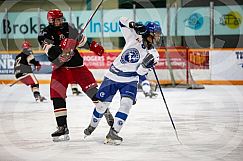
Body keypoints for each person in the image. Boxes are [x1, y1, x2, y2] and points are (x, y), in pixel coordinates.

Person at [37, 9, 114, 142]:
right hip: (59, 69)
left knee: (92, 92)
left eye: (61, 19)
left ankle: (105, 111)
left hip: (77, 67)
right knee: (57, 96)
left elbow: (82, 41)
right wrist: (63, 50)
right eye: (57, 20)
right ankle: (62, 127)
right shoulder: (44, 34)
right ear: (50, 20)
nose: (60, 21)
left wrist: (93, 46)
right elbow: (51, 52)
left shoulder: (68, 28)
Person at [84, 17, 161, 145]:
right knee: (102, 106)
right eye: (156, 35)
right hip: (112, 76)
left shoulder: (154, 54)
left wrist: (145, 66)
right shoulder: (134, 36)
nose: (158, 38)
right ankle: (92, 125)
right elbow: (121, 20)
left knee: (126, 105)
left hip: (130, 80)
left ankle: (113, 133)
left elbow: (140, 73)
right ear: (149, 33)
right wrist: (133, 24)